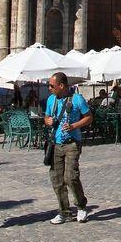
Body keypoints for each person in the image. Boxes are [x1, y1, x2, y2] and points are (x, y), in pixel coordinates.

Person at [44, 72, 92, 224]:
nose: (49, 88)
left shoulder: (77, 99)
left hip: (72, 143)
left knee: (71, 177)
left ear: (61, 86)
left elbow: (89, 117)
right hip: (56, 143)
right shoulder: (51, 100)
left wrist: (74, 126)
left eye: (52, 86)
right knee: (57, 179)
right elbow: (46, 117)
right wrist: (48, 120)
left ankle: (81, 206)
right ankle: (64, 211)